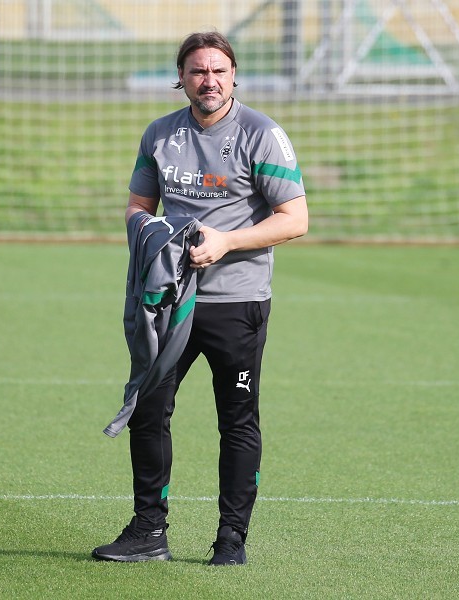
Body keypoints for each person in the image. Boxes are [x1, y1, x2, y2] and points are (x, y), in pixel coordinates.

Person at [92, 31, 307, 565]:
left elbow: (296, 219)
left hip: (236, 303)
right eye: (196, 71)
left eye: (217, 70)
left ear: (234, 76)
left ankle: (231, 540)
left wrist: (226, 241)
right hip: (171, 301)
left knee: (236, 419)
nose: (207, 80)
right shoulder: (160, 134)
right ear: (181, 78)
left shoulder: (262, 134)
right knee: (148, 409)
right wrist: (155, 236)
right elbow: (137, 206)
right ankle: (149, 531)